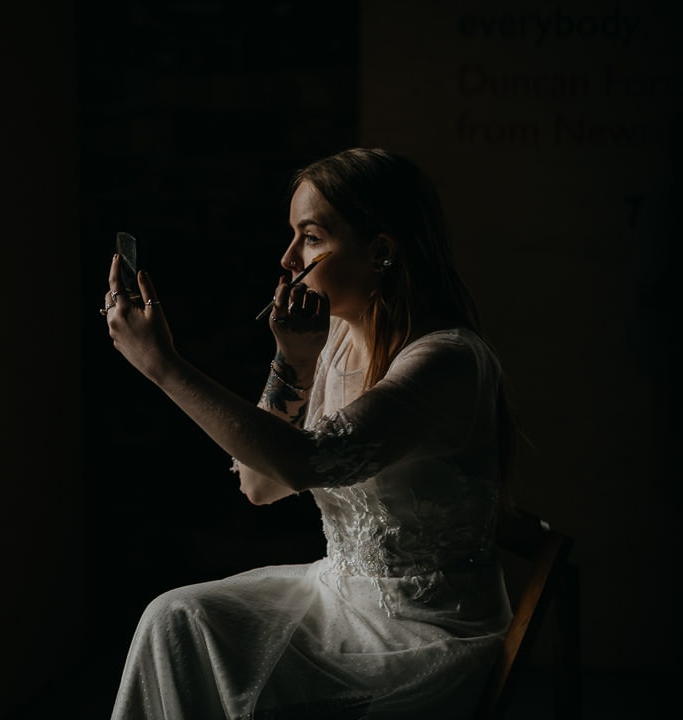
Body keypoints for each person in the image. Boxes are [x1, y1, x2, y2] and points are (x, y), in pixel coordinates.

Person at [101, 147, 517, 719]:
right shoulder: (336, 342)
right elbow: (260, 486)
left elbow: (304, 462)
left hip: (422, 633)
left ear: (382, 252)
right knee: (174, 619)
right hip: (336, 597)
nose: (288, 257)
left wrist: (163, 366)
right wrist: (291, 361)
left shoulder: (449, 361)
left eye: (312, 237)